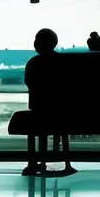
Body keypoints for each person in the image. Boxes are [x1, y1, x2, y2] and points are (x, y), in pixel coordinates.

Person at [22, 28, 75, 177]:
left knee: (35, 131)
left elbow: (30, 83)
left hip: (38, 108)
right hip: (61, 109)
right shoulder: (63, 62)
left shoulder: (33, 62)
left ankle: (34, 162)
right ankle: (64, 161)